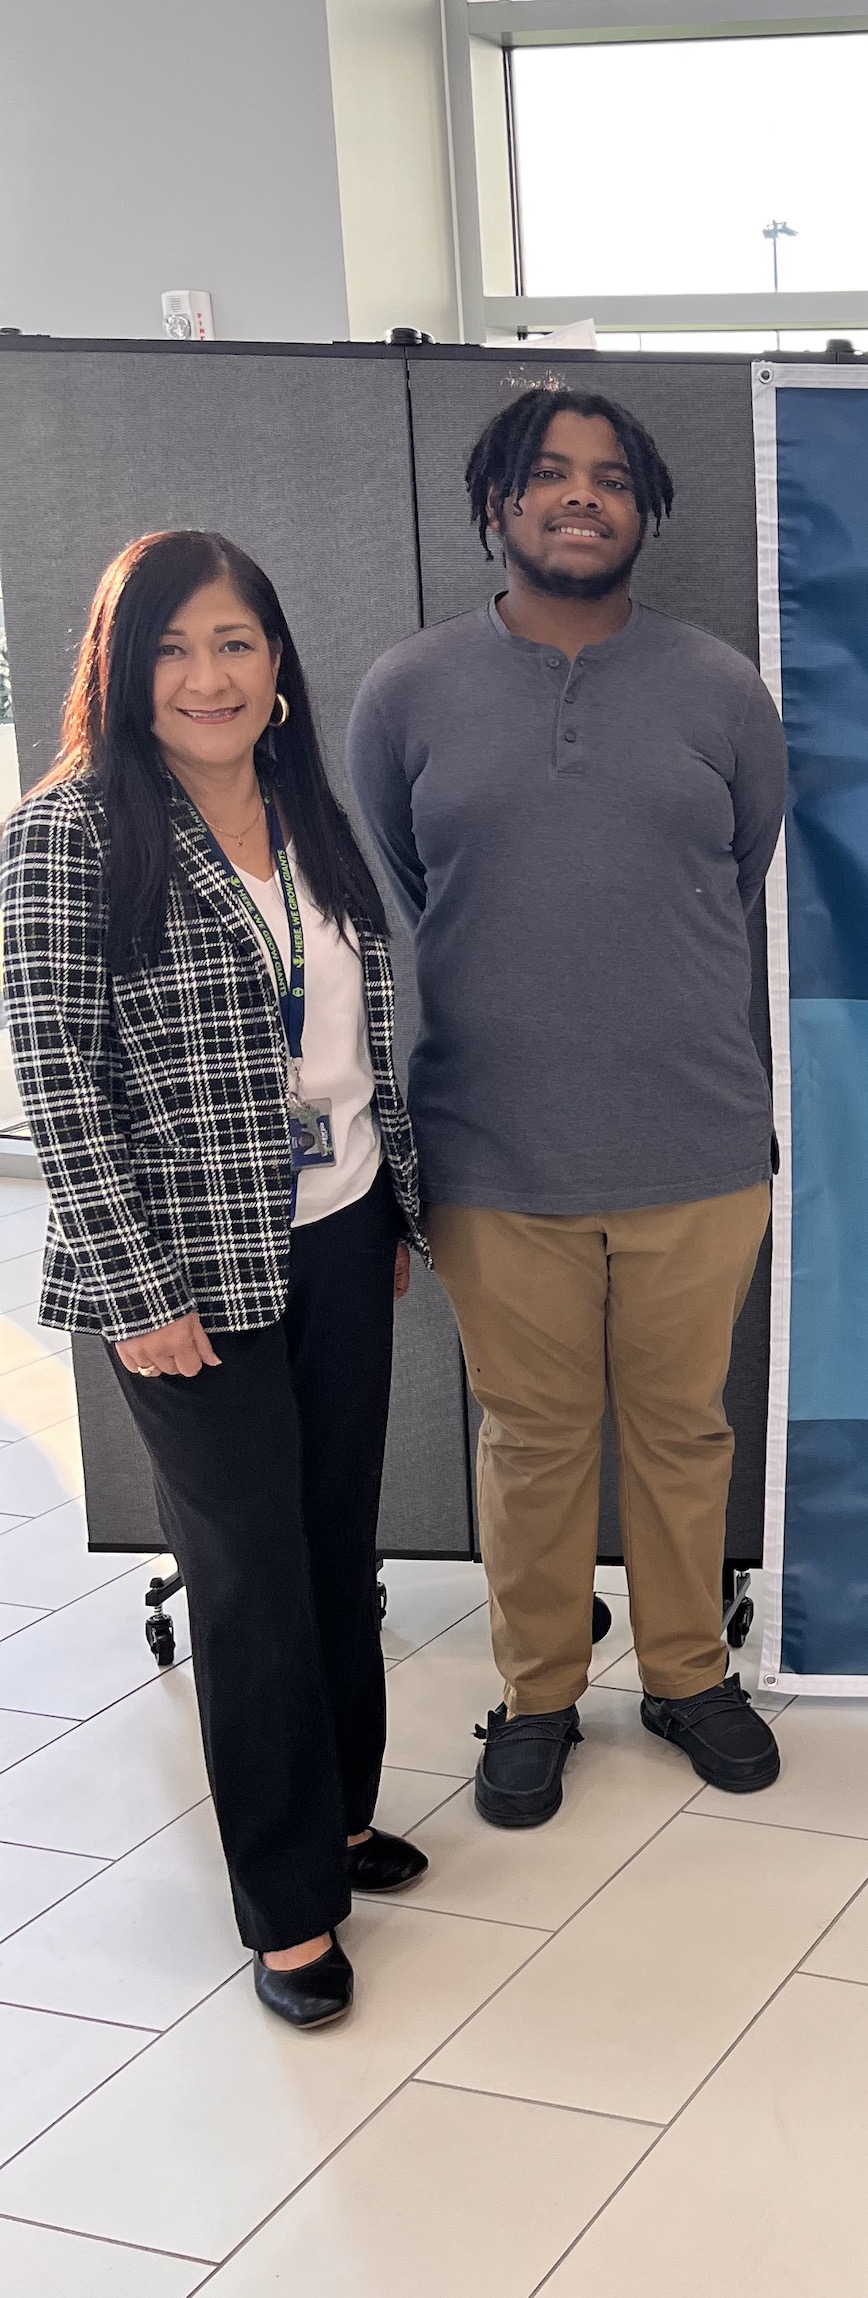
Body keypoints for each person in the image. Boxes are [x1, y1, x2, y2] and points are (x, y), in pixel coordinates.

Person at [1, 532, 426, 2028]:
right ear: (120, 670)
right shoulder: (70, 830)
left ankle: (345, 1815)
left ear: (278, 664)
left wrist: (384, 1213)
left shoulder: (308, 807)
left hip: (344, 1220)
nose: (207, 676)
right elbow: (56, 1078)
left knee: (334, 1546)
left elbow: (357, 1024)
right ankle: (289, 1907)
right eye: (173, 648)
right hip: (185, 1268)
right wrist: (136, 1288)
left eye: (236, 642)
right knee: (248, 1581)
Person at [349, 388, 787, 1826]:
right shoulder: (407, 692)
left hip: (697, 1142)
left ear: (645, 509)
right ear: (497, 506)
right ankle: (537, 1693)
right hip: (495, 1152)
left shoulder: (721, 688)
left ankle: (683, 1672)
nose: (579, 497)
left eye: (609, 478)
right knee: (531, 1442)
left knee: (682, 1429)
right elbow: (415, 899)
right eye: (548, 477)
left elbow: (736, 879)